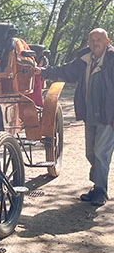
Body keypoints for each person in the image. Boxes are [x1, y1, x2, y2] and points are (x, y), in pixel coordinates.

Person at [39, 28, 114, 207]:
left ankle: (100, 190)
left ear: (107, 42)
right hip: (90, 114)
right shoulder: (85, 60)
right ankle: (97, 186)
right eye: (92, 40)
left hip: (108, 115)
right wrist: (44, 71)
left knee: (101, 152)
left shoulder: (112, 60)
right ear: (88, 43)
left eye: (99, 39)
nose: (95, 43)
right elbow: (66, 72)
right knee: (90, 153)